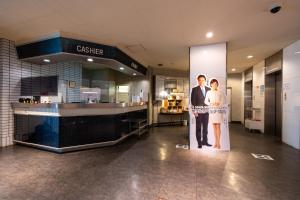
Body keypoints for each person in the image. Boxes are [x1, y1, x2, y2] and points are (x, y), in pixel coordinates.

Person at [191, 74, 212, 148]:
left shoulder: (209, 89)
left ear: (205, 81)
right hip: (198, 112)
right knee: (198, 128)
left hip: (206, 112)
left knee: (205, 128)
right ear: (198, 81)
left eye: (203, 80)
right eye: (200, 80)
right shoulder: (194, 89)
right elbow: (193, 102)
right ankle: (199, 143)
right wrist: (194, 111)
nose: (201, 81)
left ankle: (205, 141)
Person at [204, 79, 226, 149]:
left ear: (217, 85)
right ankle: (215, 142)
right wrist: (211, 103)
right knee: (214, 127)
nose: (215, 85)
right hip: (212, 110)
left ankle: (219, 143)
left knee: (218, 126)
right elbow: (205, 101)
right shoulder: (208, 92)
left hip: (218, 110)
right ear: (211, 84)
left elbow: (223, 101)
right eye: (213, 84)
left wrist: (219, 103)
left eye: (216, 84)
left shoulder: (220, 92)